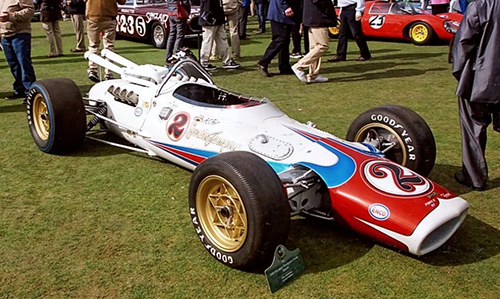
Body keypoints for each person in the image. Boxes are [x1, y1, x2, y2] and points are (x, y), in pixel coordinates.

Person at [451, 0, 500, 191]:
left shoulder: (480, 5)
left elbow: (463, 42)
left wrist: (461, 74)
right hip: (484, 76)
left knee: (473, 128)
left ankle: (475, 177)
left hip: (479, 79)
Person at [291, 0, 336, 83]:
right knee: (322, 46)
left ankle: (313, 75)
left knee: (315, 47)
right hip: (318, 18)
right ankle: (299, 66)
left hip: (312, 17)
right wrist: (328, 10)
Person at [0, 0, 36, 100]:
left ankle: (30, 91)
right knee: (13, 64)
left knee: (23, 63)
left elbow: (30, 10)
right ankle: (19, 89)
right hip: (5, 35)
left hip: (20, 34)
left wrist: (11, 16)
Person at [257, 0, 300, 77]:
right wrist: (288, 6)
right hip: (281, 11)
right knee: (280, 39)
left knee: (285, 40)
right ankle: (264, 62)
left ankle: (284, 66)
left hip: (280, 10)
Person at [85, 0, 126, 82]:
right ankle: (108, 73)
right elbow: (122, 1)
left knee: (93, 45)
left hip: (93, 17)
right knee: (109, 47)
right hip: (109, 17)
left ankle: (93, 69)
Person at [199, 0, 240, 70]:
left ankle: (226, 61)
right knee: (208, 41)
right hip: (210, 18)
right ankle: (204, 62)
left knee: (222, 39)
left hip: (218, 17)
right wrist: (209, 17)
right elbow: (207, 5)